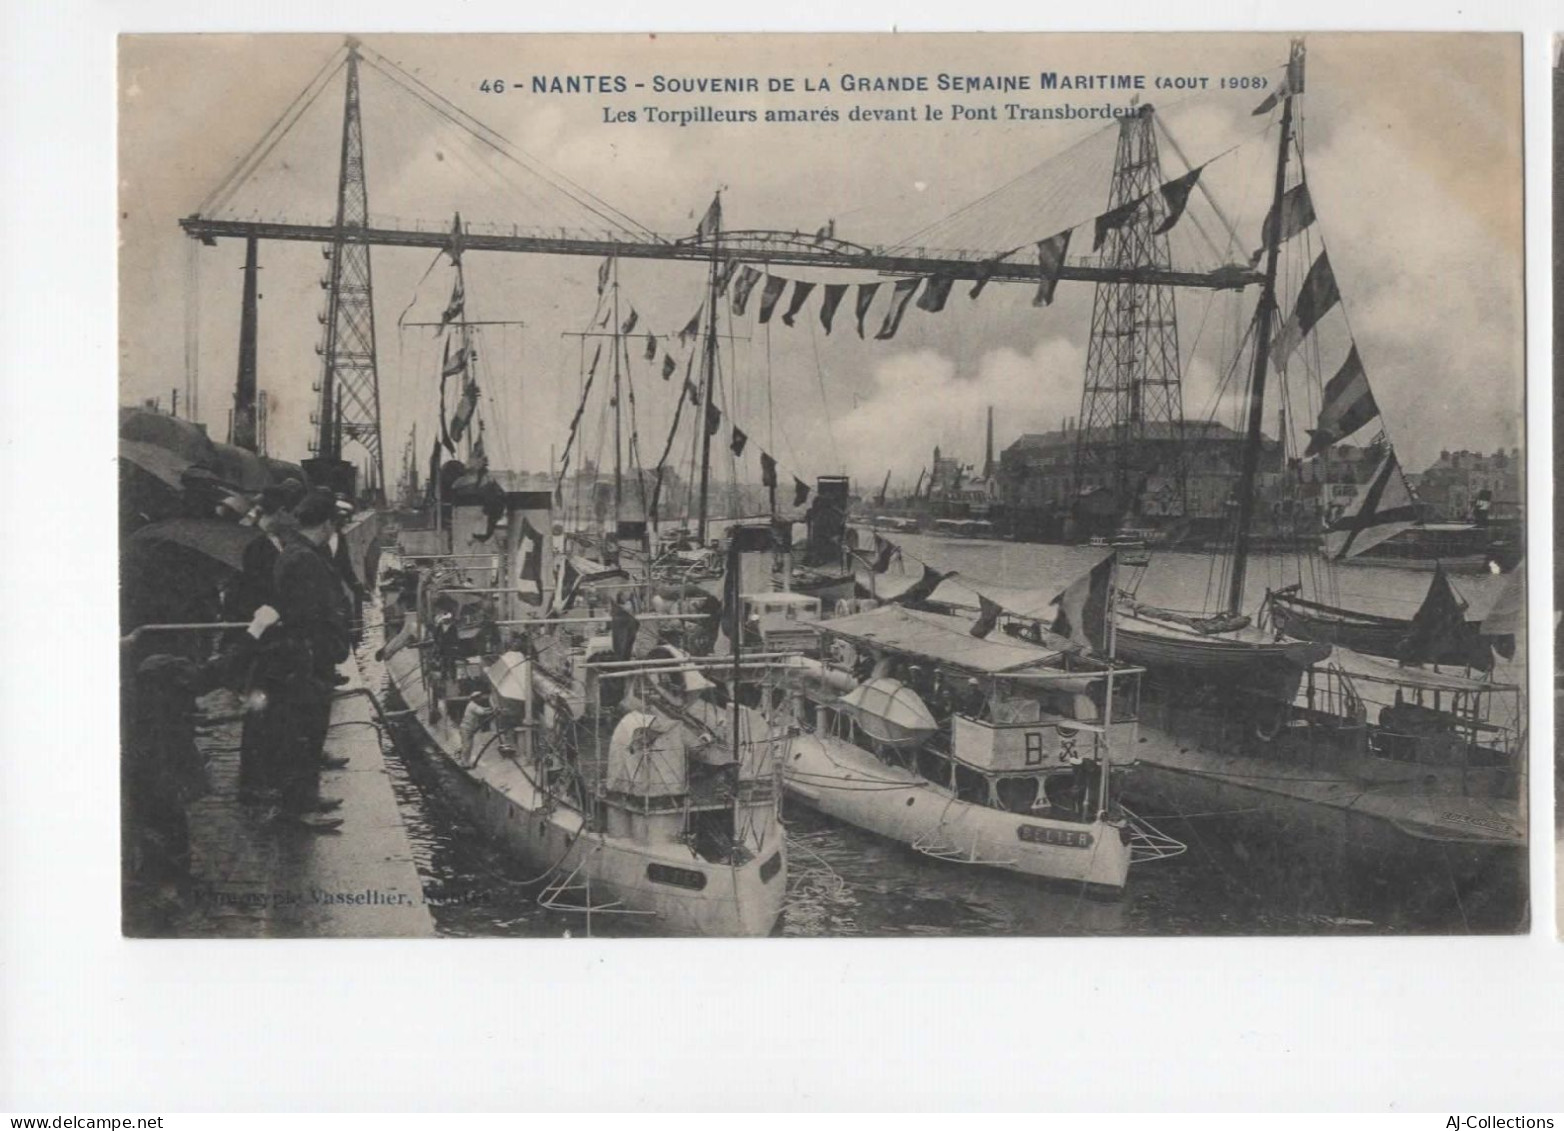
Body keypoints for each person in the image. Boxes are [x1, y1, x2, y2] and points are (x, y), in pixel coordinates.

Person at [258, 489, 352, 830]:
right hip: (305, 659)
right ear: (327, 522)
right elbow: (308, 614)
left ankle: (305, 797)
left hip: (310, 657)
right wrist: (320, 649)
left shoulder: (299, 552)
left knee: (310, 733)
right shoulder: (303, 558)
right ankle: (295, 808)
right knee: (302, 733)